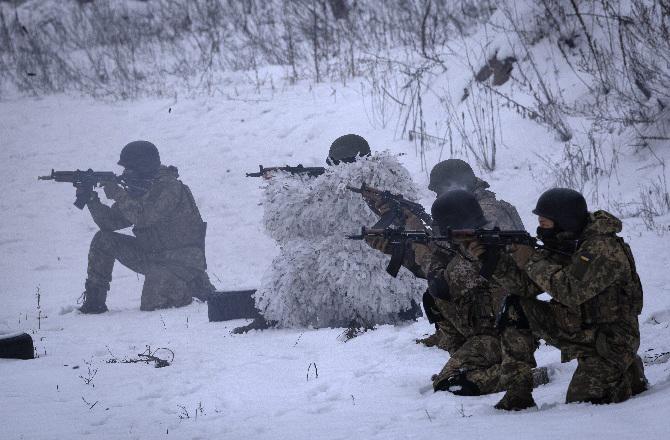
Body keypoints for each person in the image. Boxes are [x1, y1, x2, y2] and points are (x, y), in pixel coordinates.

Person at [234, 134, 424, 333]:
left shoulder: (337, 184)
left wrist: (279, 184)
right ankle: (402, 310)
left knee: (296, 256)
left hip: (356, 269)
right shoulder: (392, 175)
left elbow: (291, 219)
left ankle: (272, 317)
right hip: (389, 266)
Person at [491, 188, 648, 410]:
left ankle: (624, 370)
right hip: (581, 329)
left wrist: (531, 261)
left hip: (610, 341)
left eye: (545, 224)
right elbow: (526, 287)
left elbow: (569, 291)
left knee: (583, 404)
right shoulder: (568, 240)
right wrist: (490, 261)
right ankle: (518, 394)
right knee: (516, 307)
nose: (540, 229)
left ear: (564, 221)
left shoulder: (601, 248)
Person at [78, 140, 214, 313]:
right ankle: (94, 303)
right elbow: (110, 223)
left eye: (129, 168)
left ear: (143, 167)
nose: (125, 172)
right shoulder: (139, 189)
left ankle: (193, 287)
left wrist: (118, 194)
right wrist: (91, 199)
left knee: (153, 307)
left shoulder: (170, 187)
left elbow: (144, 217)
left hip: (181, 261)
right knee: (103, 239)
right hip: (154, 255)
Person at [425, 190, 507, 395]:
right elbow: (438, 287)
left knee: (449, 384)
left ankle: (518, 373)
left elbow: (448, 283)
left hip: (500, 340)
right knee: (431, 297)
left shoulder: (485, 250)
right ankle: (465, 360)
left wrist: (425, 255)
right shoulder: (461, 249)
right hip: (478, 336)